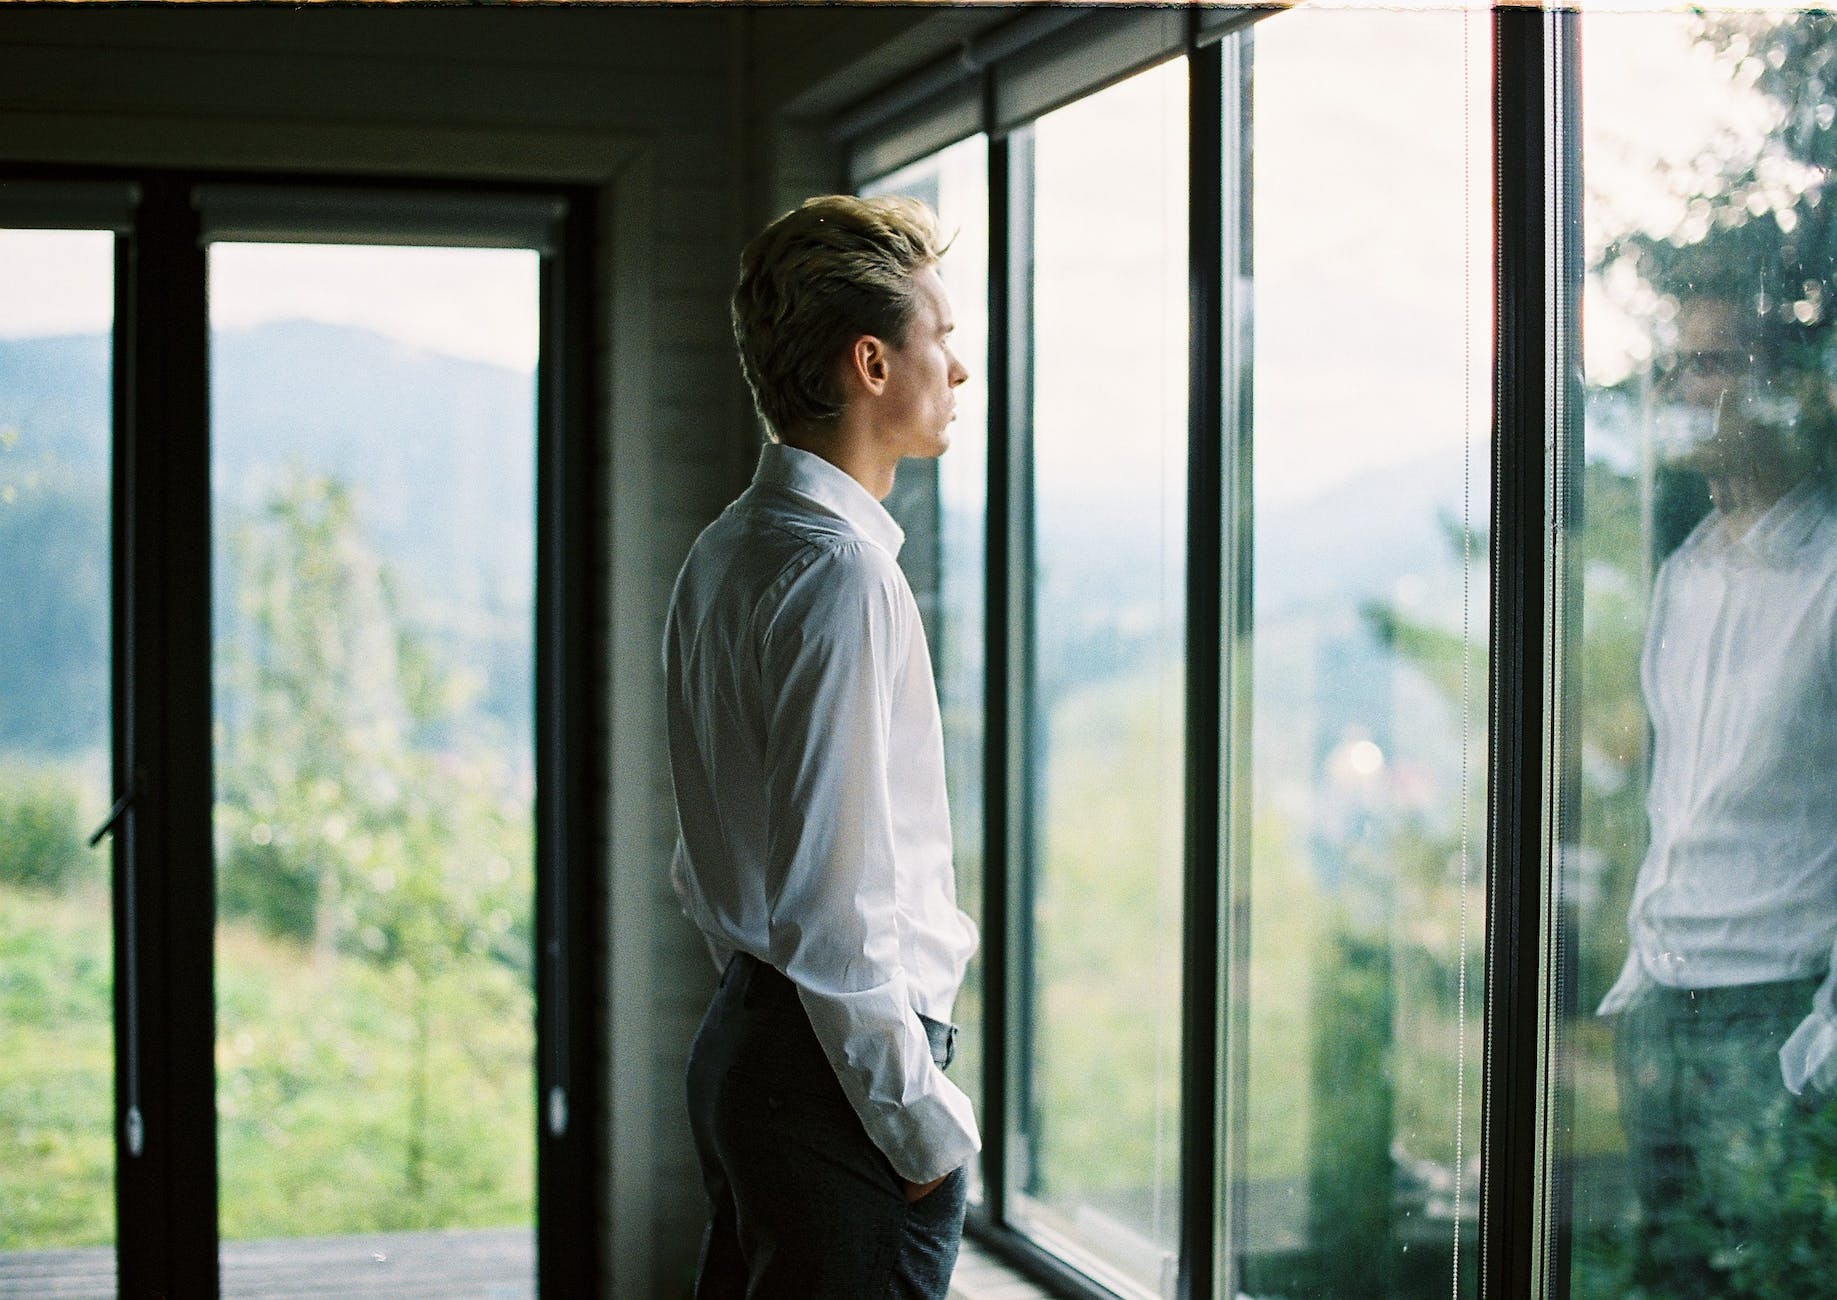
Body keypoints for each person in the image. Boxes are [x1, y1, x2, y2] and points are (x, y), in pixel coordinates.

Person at [664, 194, 978, 1299]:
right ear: (872, 364)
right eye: (941, 337)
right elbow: (832, 909)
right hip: (832, 1084)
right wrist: (920, 1128)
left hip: (760, 1046)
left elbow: (716, 862)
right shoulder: (838, 573)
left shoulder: (726, 548)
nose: (960, 369)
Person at [1600, 290, 1837, 1292]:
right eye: (1672, 369)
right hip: (1659, 1002)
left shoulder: (1829, 573)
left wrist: (1824, 1038)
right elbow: (1677, 800)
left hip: (1775, 1018)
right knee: (1672, 1278)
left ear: (1778, 391)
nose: (1676, 393)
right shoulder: (1685, 574)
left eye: (1705, 364)